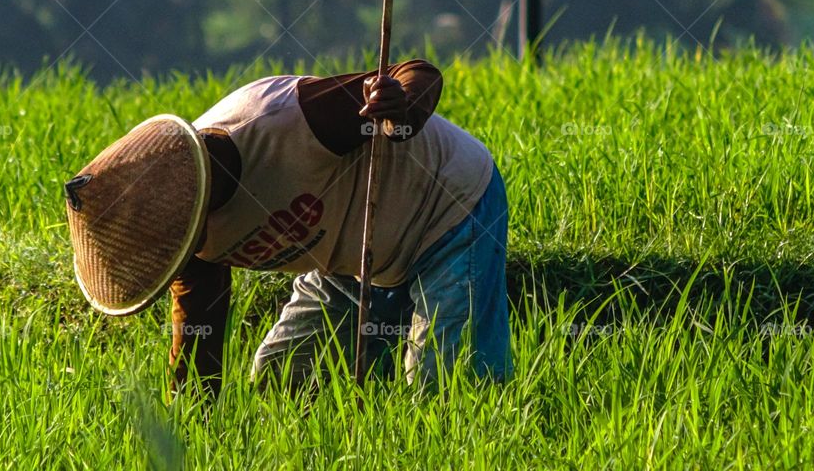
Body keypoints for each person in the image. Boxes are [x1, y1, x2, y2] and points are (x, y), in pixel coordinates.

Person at [64, 59, 512, 396]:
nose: (188, 252)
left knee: (444, 389)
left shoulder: (288, 120)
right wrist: (189, 434)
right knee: (281, 377)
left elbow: (418, 71)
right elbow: (199, 345)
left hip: (447, 212)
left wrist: (402, 109)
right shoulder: (182, 239)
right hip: (350, 258)